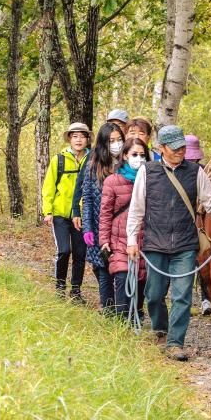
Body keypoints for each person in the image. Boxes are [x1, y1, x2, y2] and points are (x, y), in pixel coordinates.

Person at [126, 125, 211, 361]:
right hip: (154, 243)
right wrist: (132, 240)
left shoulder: (195, 172)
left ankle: (176, 342)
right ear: (161, 148)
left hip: (185, 245)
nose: (180, 151)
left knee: (182, 295)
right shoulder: (147, 172)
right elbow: (136, 210)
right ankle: (160, 329)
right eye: (174, 148)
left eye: (182, 147)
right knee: (154, 295)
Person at [99, 137, 149, 320]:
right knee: (122, 278)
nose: (139, 158)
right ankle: (121, 323)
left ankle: (134, 317)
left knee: (141, 281)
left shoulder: (152, 179)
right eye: (134, 154)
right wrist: (103, 241)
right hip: (118, 239)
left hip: (144, 239)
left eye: (142, 155)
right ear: (125, 156)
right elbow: (105, 213)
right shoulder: (112, 181)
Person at [41, 122, 91, 302]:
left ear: (87, 139)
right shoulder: (59, 159)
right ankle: (60, 286)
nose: (78, 140)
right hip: (60, 214)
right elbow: (48, 187)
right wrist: (47, 211)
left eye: (82, 136)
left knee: (80, 253)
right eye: (75, 136)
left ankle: (76, 290)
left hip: (82, 215)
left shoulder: (92, 159)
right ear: (69, 138)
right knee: (64, 250)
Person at [80, 122, 125, 312]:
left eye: (119, 140)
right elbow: (88, 199)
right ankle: (107, 308)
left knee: (121, 268)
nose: (116, 144)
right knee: (103, 267)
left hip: (122, 227)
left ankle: (125, 309)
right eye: (111, 141)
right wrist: (88, 228)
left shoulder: (128, 165)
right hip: (100, 226)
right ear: (103, 143)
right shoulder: (94, 167)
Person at [184, 133, 211, 316]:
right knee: (185, 265)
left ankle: (205, 298)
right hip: (183, 224)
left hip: (201, 222)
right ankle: (185, 300)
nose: (192, 161)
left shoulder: (205, 172)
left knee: (203, 261)